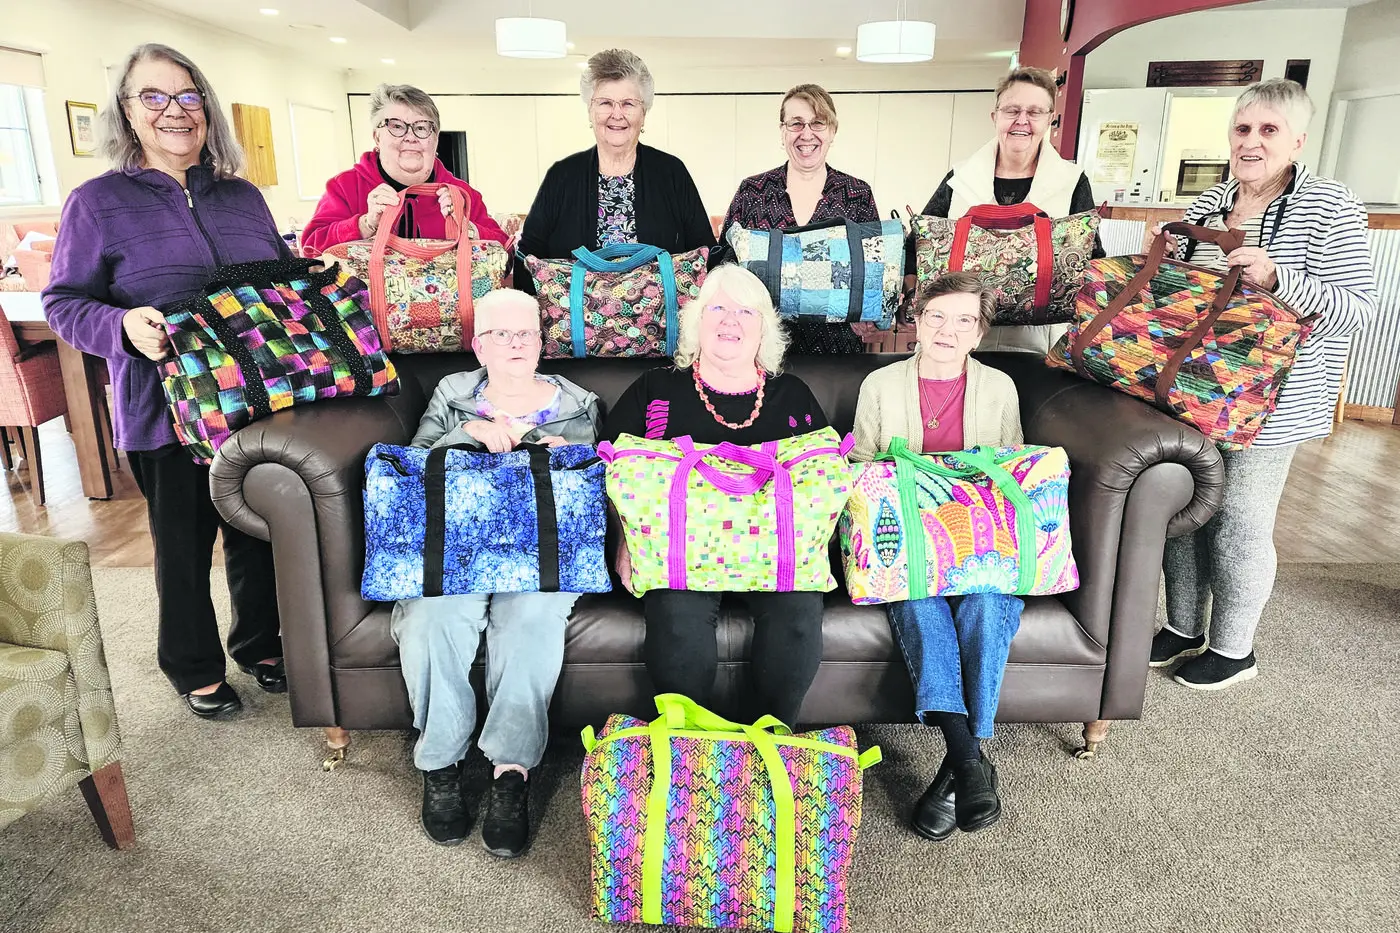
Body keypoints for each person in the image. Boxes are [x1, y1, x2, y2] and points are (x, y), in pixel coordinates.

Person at [43, 44, 286, 719]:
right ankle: (192, 665)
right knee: (182, 542)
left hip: (258, 399)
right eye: (154, 97)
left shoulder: (241, 195)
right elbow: (65, 303)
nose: (175, 111)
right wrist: (122, 328)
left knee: (259, 530)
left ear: (206, 110)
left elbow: (281, 277)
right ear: (126, 111)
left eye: (188, 97)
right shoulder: (97, 203)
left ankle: (261, 642)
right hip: (163, 407)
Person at [1152, 78, 1376, 690]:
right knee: (1183, 511)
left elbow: (1357, 309)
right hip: (1192, 393)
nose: (1252, 142)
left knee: (1240, 521)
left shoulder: (1329, 204)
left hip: (1273, 403)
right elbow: (1183, 307)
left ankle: (1233, 649)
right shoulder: (1208, 205)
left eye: (1269, 130)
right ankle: (1182, 624)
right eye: (1243, 128)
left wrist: (1279, 279)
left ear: (1298, 140)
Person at [391, 289, 600, 854]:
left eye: (524, 334)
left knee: (531, 620)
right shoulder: (453, 394)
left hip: (541, 552)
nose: (513, 344)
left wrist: (571, 454)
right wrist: (468, 435)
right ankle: (441, 763)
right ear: (478, 344)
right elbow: (414, 465)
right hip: (456, 547)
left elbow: (595, 489)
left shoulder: (578, 404)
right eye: (499, 335)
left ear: (541, 342)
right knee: (432, 617)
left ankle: (512, 773)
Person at [603, 264, 829, 726]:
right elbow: (612, 469)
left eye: (746, 310)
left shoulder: (793, 394)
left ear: (764, 327)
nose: (731, 320)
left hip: (775, 552)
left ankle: (771, 741)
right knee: (675, 614)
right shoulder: (655, 387)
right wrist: (624, 541)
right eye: (718, 307)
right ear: (696, 320)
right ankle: (689, 746)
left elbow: (820, 480)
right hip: (677, 553)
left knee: (799, 611)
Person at [851, 270, 1023, 840]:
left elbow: (1012, 474)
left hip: (981, 545)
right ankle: (971, 763)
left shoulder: (999, 388)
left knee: (984, 601)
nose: (949, 330)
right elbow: (861, 469)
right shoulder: (879, 384)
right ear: (917, 323)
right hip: (911, 549)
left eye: (964, 321)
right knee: (920, 602)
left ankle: (959, 765)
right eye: (937, 317)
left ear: (979, 333)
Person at [906, 66, 1101, 354]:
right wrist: (914, 299)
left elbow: (1092, 259)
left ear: (1049, 119)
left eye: (1035, 112)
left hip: (1039, 343)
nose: (1022, 120)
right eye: (1012, 110)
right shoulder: (960, 178)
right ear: (995, 116)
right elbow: (916, 248)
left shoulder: (1071, 181)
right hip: (955, 341)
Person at [514, 49, 715, 290]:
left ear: (644, 113)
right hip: (572, 323)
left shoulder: (671, 172)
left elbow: (704, 254)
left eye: (628, 103)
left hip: (662, 323)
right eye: (606, 103)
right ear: (590, 110)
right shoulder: (562, 175)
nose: (616, 114)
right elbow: (529, 257)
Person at [714, 84, 880, 355]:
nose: (807, 134)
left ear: (832, 131)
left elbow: (873, 269)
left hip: (835, 351)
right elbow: (724, 265)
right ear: (783, 131)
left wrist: (868, 316)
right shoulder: (753, 191)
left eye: (818, 123)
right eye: (796, 124)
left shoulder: (856, 194)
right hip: (759, 347)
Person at [300, 83, 508, 255]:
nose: (411, 137)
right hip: (363, 304)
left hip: (448, 305)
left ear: (435, 139)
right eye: (396, 126)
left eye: (421, 127)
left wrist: (467, 228)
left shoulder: (462, 193)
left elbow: (504, 253)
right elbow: (311, 249)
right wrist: (366, 223)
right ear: (377, 136)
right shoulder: (345, 187)